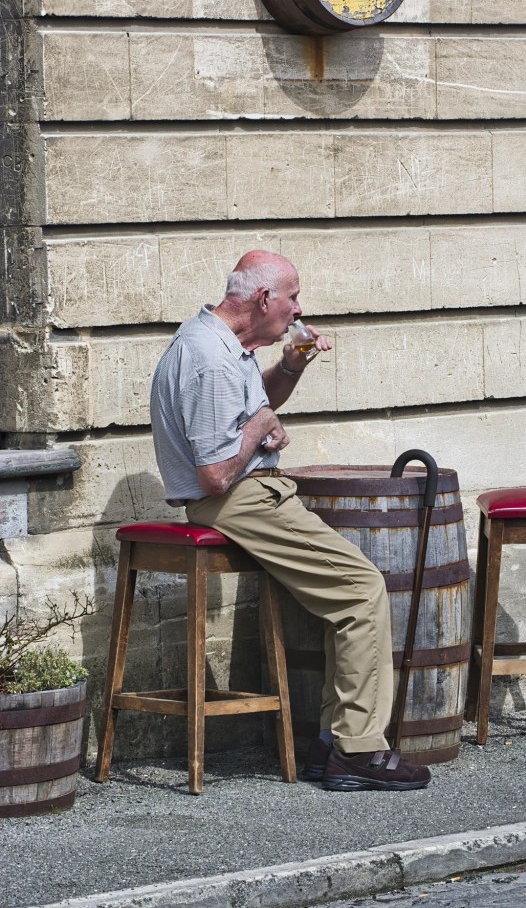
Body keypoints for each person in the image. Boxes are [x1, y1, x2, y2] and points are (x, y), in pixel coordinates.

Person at [150, 250, 430, 792]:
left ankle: (333, 743)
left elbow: (256, 410)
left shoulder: (226, 346)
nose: (298, 308)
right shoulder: (208, 357)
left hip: (252, 494)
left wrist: (292, 366)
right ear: (263, 299)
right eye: (293, 297)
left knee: (351, 593)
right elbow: (214, 475)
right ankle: (357, 749)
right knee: (361, 589)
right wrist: (260, 429)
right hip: (239, 500)